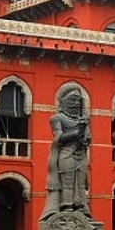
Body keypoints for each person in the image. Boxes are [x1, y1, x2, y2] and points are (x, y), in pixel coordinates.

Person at [39, 88, 92, 222]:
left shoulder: (82, 120)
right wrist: (78, 130)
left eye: (78, 101)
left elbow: (87, 139)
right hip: (66, 154)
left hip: (81, 155)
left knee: (80, 185)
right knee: (67, 184)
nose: (76, 103)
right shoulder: (57, 118)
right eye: (72, 100)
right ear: (62, 102)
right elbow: (59, 138)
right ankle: (66, 213)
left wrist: (85, 136)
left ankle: (82, 212)